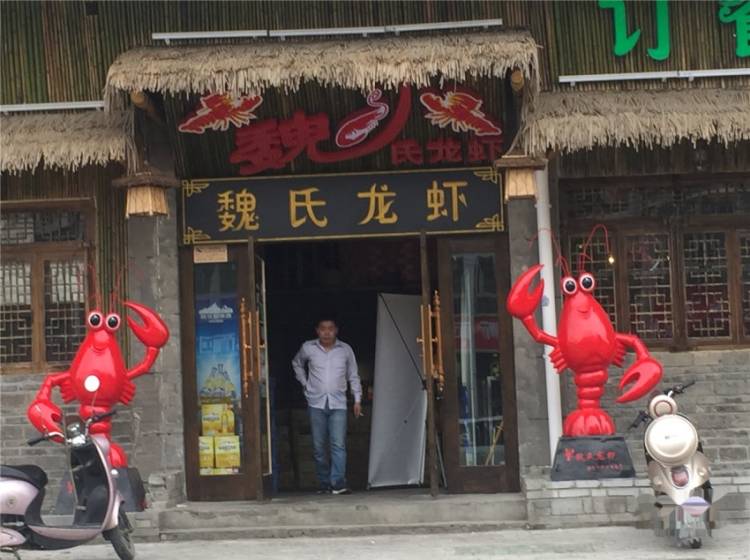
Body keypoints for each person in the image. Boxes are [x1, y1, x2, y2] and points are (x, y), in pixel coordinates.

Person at [292, 318, 362, 495]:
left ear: (336, 330)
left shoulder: (345, 350)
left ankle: (338, 483)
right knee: (318, 447)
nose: (327, 332)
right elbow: (297, 363)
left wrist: (357, 399)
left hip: (338, 404)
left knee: (338, 444)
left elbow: (353, 375)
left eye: (330, 328)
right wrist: (305, 384)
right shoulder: (308, 347)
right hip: (316, 403)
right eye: (323, 328)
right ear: (317, 330)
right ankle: (324, 483)